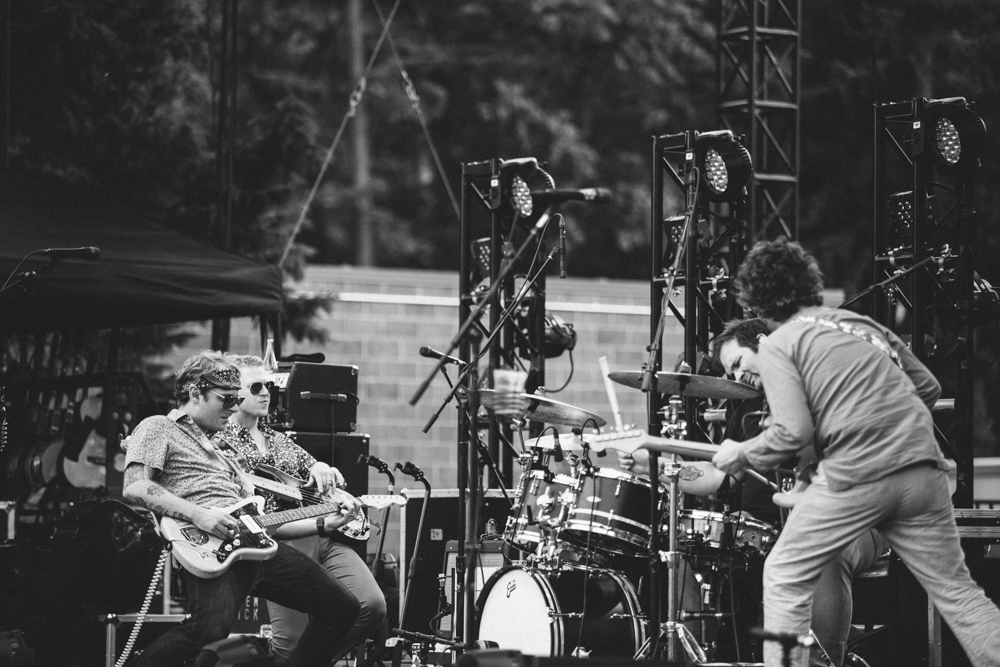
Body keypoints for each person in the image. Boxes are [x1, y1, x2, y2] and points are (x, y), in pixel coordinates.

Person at [712, 238, 1000, 667]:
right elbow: (927, 387)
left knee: (784, 574)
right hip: (923, 472)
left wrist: (741, 452)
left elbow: (791, 433)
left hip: (859, 473)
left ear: (757, 299)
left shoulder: (779, 342)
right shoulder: (860, 325)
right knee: (958, 594)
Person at [620, 317, 887, 666]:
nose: (735, 377)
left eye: (737, 363)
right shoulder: (747, 404)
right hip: (775, 523)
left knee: (820, 548)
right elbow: (721, 475)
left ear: (763, 342)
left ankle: (824, 661)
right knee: (687, 548)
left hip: (858, 513)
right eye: (729, 372)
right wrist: (652, 466)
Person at [122, 351, 361, 667]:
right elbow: (135, 487)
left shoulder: (223, 451)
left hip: (256, 544)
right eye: (226, 399)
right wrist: (199, 514)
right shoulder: (158, 427)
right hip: (210, 547)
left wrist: (323, 523)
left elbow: (261, 519)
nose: (234, 408)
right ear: (195, 393)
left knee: (342, 608)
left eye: (237, 399)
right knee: (207, 631)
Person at [213, 354, 387, 666]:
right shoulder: (218, 444)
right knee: (289, 646)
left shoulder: (278, 438)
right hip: (281, 543)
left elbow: (317, 473)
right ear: (233, 393)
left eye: (268, 386)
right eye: (256, 387)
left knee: (372, 606)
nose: (266, 393)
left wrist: (322, 467)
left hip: (322, 536)